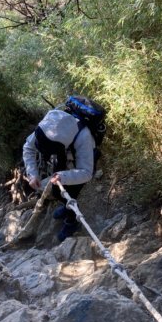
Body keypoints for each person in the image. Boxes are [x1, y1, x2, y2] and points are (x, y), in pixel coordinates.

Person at [22, 98, 99, 241]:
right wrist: (33, 175)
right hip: (64, 156)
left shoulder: (84, 137)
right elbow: (28, 147)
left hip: (81, 163)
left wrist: (62, 176)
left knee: (71, 192)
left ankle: (72, 221)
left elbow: (86, 172)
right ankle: (66, 206)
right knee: (58, 190)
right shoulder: (46, 127)